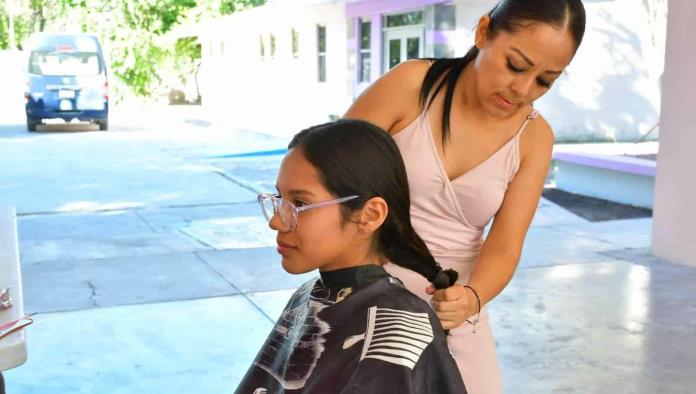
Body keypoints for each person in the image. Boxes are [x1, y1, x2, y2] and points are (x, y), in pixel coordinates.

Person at [344, 1, 586, 392]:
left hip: (451, 306)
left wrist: (471, 300)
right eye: (516, 65)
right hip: (363, 288)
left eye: (545, 81)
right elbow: (332, 168)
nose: (523, 90)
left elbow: (505, 245)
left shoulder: (535, 138)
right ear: (483, 32)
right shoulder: (412, 86)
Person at [235, 120, 467, 393]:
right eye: (279, 199)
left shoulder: (398, 326)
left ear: (369, 215)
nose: (277, 221)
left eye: (300, 204)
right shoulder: (307, 296)